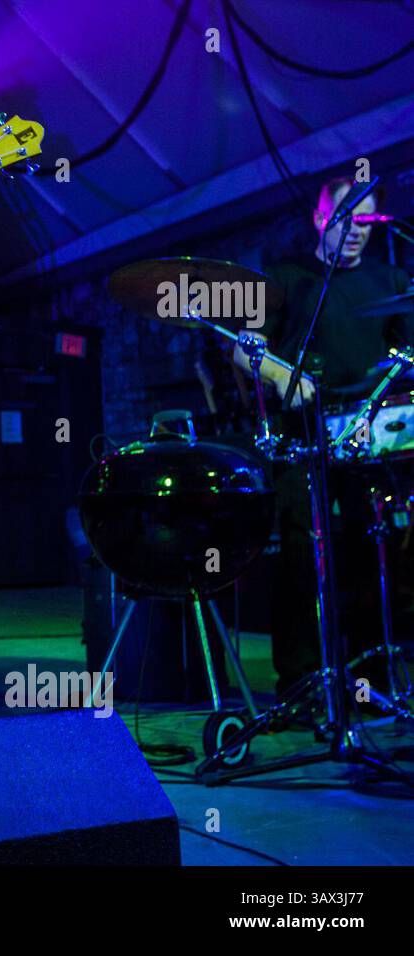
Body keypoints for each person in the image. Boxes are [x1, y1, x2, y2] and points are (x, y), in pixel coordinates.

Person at [237, 175, 412, 699]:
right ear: (320, 218)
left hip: (365, 439)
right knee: (300, 552)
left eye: (366, 220)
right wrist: (279, 375)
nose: (356, 231)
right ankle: (300, 679)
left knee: (368, 548)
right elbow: (242, 347)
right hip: (302, 437)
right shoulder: (287, 278)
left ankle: (368, 677)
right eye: (346, 218)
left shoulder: (390, 282)